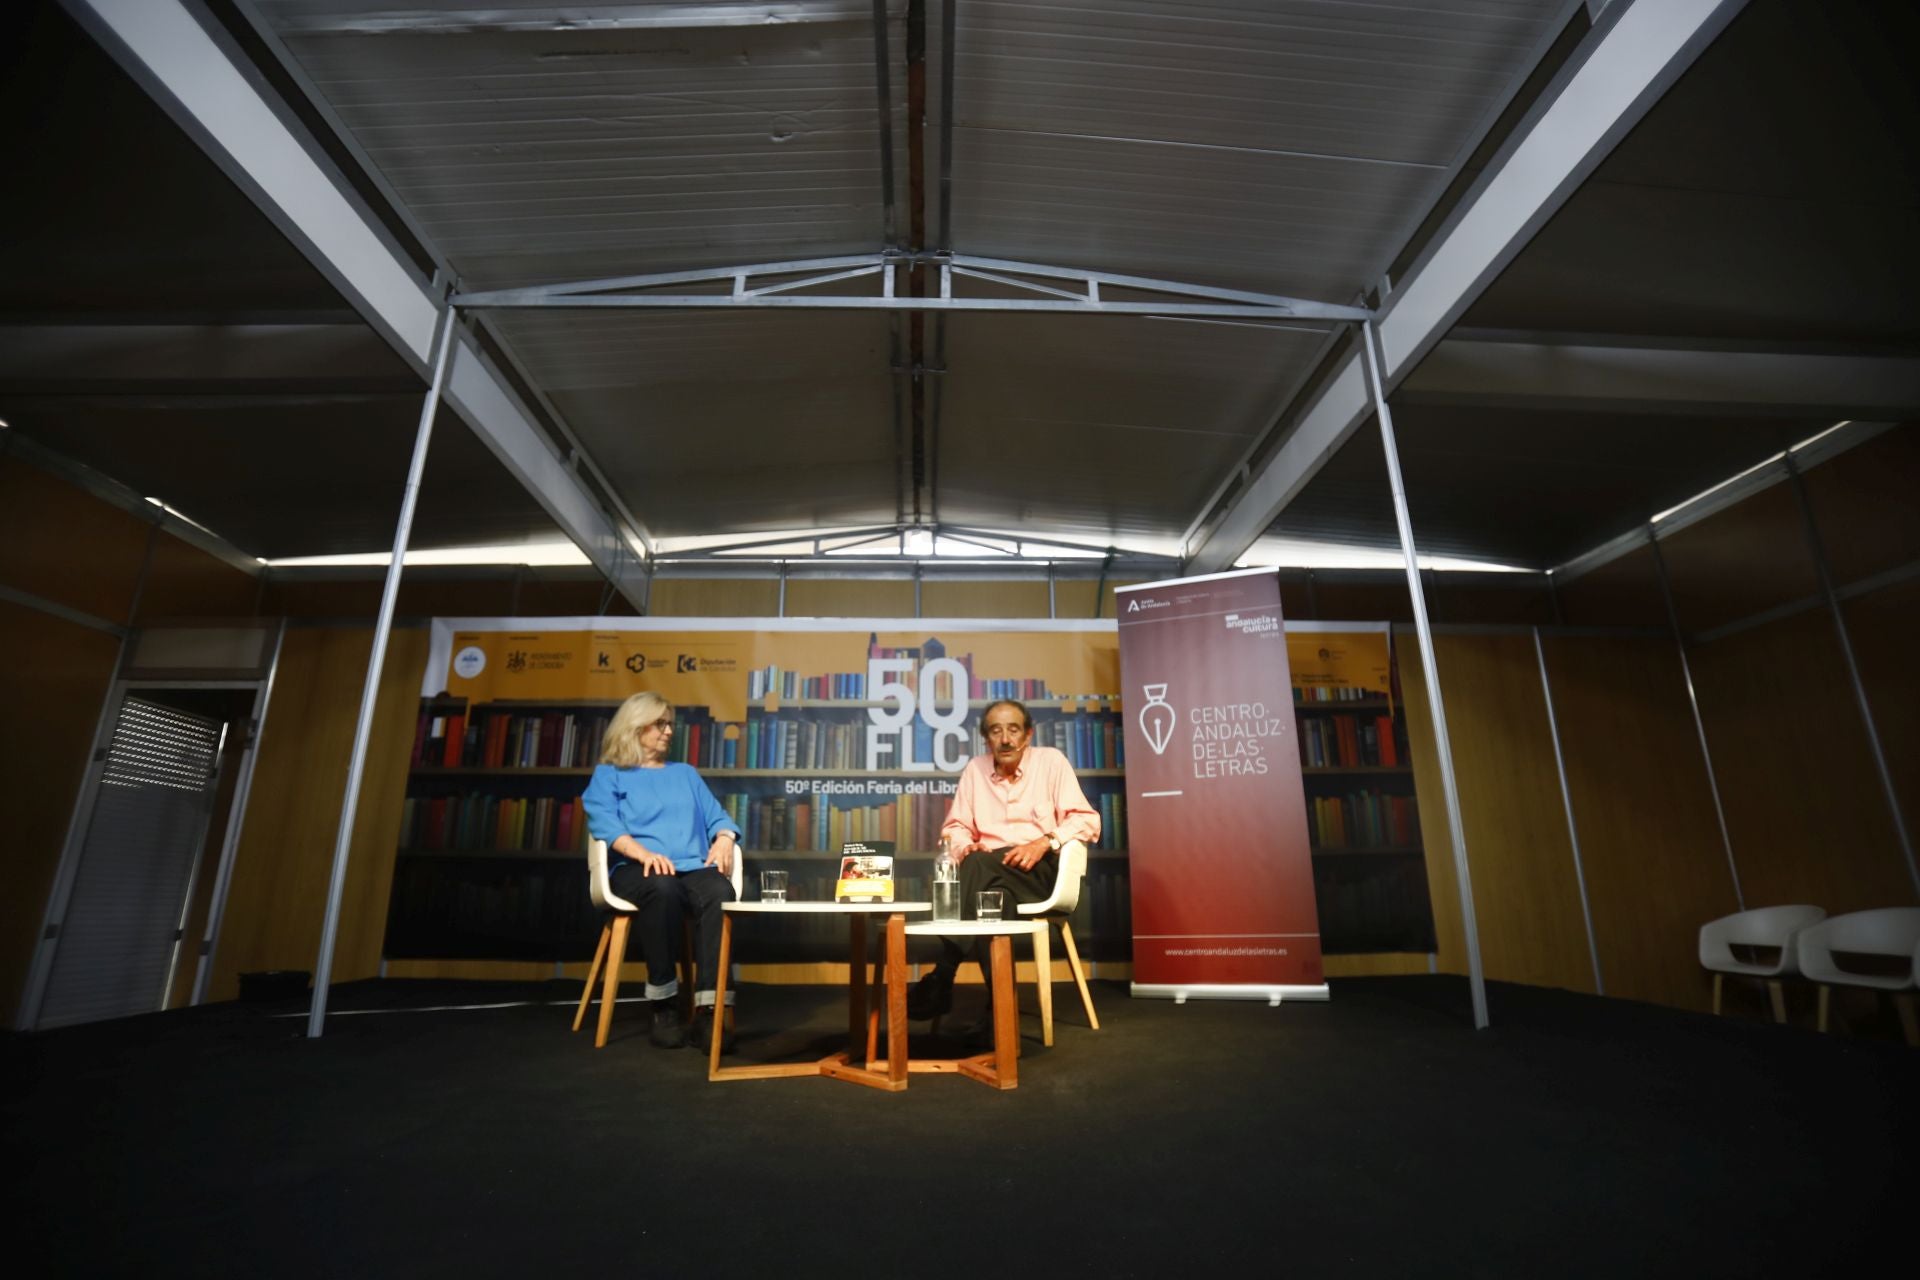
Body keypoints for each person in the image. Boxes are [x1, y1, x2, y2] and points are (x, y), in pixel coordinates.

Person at [908, 698, 1100, 1023]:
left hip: (1039, 872)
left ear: (1027, 735)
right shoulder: (975, 770)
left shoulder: (1051, 762)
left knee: (978, 870)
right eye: (996, 731)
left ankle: (944, 971)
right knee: (991, 898)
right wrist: (965, 846)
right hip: (991, 875)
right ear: (987, 738)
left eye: (1013, 730)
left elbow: (1088, 820)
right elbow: (955, 828)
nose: (1006, 739)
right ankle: (1001, 1019)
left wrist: (1045, 841)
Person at [580, 691, 741, 1049]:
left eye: (670, 724)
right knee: (663, 889)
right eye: (660, 724)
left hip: (691, 867)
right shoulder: (610, 775)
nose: (669, 731)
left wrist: (726, 837)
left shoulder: (685, 774)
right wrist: (642, 852)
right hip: (636, 869)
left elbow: (719, 817)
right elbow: (603, 822)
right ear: (635, 728)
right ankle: (664, 1006)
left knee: (720, 892)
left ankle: (709, 1010)